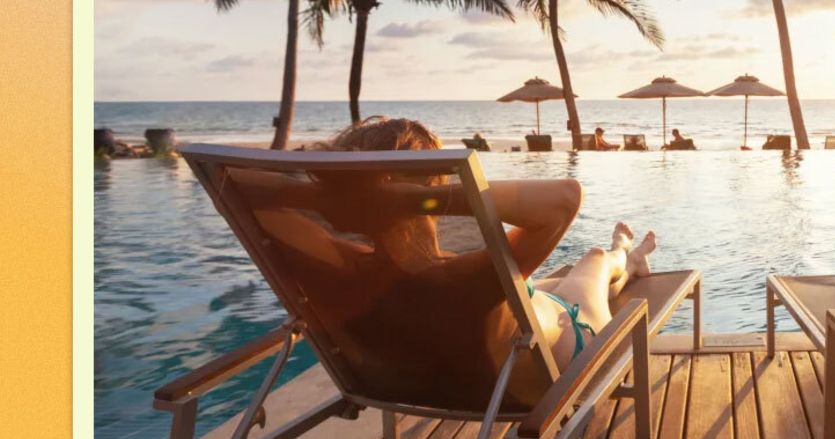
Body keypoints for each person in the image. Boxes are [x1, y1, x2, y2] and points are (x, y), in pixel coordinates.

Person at [242, 117, 659, 369]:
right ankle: (628, 251)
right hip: (574, 336)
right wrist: (406, 198)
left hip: (525, 313)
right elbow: (566, 196)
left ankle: (632, 259)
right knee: (596, 259)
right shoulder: (465, 278)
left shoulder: (347, 265)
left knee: (559, 275)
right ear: (434, 185)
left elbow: (240, 187)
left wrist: (346, 196)